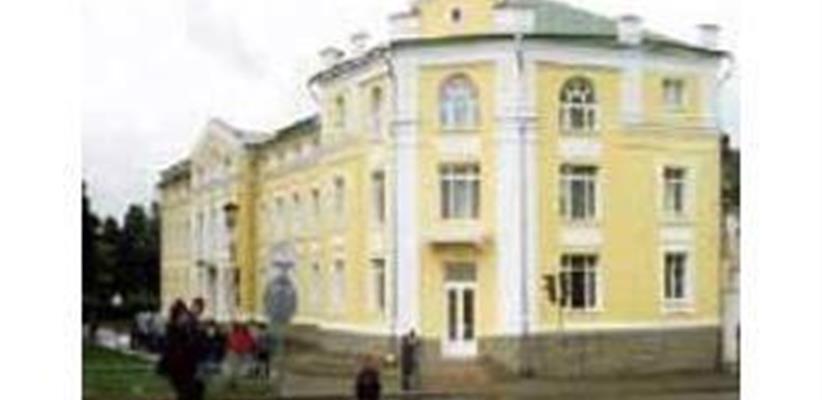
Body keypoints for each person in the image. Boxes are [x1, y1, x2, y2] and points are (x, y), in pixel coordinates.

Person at [157, 299, 200, 400]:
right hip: (177, 365)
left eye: (184, 314)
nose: (184, 317)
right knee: (183, 389)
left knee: (187, 389)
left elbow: (192, 344)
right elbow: (170, 346)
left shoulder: (188, 326)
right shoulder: (173, 329)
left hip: (186, 364)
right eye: (181, 315)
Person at [224, 321, 256, 388]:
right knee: (233, 369)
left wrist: (244, 349)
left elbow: (250, 344)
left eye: (242, 328)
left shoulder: (247, 335)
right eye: (240, 327)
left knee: (237, 369)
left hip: (240, 354)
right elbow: (229, 343)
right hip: (234, 353)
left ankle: (233, 382)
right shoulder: (233, 334)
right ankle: (232, 382)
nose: (241, 329)